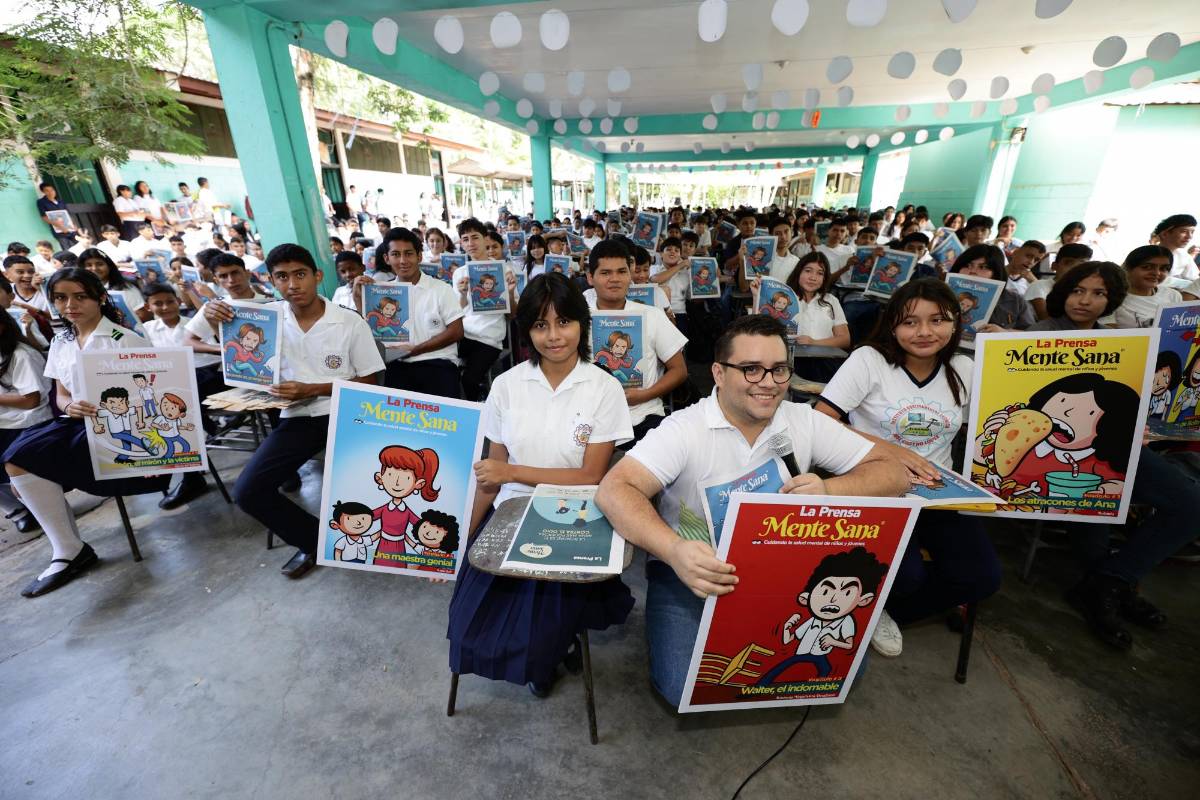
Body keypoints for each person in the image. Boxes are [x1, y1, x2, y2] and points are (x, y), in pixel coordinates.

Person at [594, 315, 908, 707]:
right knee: (682, 685)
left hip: (785, 570)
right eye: (751, 369)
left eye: (778, 370)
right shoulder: (684, 429)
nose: (768, 382)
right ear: (718, 374)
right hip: (694, 572)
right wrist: (674, 550)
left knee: (841, 671)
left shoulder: (802, 420)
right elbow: (615, 488)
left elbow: (894, 473)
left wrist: (829, 487)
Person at [448, 272, 635, 697]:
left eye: (564, 322)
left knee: (535, 626)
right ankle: (547, 648)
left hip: (576, 513)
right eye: (540, 325)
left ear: (582, 325)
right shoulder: (506, 385)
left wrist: (513, 472)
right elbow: (490, 476)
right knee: (470, 626)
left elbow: (590, 476)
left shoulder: (604, 388)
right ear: (526, 330)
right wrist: (464, 540)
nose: (554, 336)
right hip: (511, 511)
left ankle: (548, 650)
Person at [816, 279, 1001, 657]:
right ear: (893, 324)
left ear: (954, 324)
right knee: (907, 576)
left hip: (938, 491)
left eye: (937, 320)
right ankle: (877, 602)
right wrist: (889, 450)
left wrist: (1009, 348)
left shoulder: (964, 367)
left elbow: (1002, 419)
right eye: (910, 322)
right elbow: (821, 419)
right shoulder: (869, 360)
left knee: (982, 577)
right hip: (876, 487)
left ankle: (881, 611)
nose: (924, 332)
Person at [221, 244, 384, 579]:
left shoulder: (348, 322)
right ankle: (315, 539)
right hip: (297, 418)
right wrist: (216, 320)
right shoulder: (266, 322)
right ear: (271, 281)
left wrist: (314, 388)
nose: (293, 284)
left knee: (385, 478)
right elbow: (245, 360)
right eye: (282, 277)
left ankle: (382, 537)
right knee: (248, 491)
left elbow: (370, 383)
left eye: (300, 274)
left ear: (317, 276)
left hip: (349, 413)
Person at [3, 268, 168, 597]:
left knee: (31, 458)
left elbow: (157, 392)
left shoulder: (125, 339)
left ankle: (70, 549)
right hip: (76, 422)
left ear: (99, 298)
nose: (70, 305)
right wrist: (68, 407)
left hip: (120, 427)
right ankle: (68, 548)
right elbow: (61, 394)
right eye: (61, 298)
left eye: (80, 296)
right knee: (16, 457)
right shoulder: (62, 342)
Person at [585, 239, 687, 442]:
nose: (615, 279)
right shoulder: (577, 320)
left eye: (622, 271)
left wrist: (645, 395)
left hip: (643, 416)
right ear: (590, 277)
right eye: (605, 273)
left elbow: (679, 370)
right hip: (590, 418)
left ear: (630, 275)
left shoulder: (652, 315)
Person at [357, 227, 464, 398]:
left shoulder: (441, 289)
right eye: (395, 254)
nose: (403, 260)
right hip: (397, 365)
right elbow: (370, 332)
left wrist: (415, 350)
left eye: (408, 253)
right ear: (386, 258)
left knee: (443, 419)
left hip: (438, 364)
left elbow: (457, 331)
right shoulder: (381, 294)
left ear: (419, 256)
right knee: (397, 420)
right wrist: (359, 298)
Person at [0, 309, 52, 533]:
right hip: (8, 421)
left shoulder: (22, 354)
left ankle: (39, 504)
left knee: (27, 480)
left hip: (27, 424)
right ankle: (20, 508)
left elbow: (30, 400)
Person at [453, 220, 517, 401]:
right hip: (463, 335)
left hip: (489, 338)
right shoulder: (460, 273)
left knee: (469, 380)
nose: (471, 243)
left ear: (484, 239)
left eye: (475, 237)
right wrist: (463, 295)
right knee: (443, 369)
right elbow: (456, 313)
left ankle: (481, 412)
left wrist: (510, 293)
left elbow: (513, 314)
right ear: (461, 244)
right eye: (465, 239)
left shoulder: (504, 270)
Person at [949, 244, 1033, 331]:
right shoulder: (942, 295)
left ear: (995, 273)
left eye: (983, 267)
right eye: (967, 265)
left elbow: (1031, 336)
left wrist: (1005, 333)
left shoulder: (1015, 301)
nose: (973, 271)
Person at [1027, 261, 1128, 332]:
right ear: (1064, 293)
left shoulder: (1112, 338)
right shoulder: (1039, 334)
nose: (1084, 301)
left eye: (1099, 293)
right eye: (1077, 291)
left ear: (1113, 299)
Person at [1103, 245, 1179, 329]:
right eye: (1147, 267)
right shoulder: (1112, 297)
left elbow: (1178, 330)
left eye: (1164, 268)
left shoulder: (1173, 295)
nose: (1157, 273)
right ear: (1128, 268)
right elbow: (1109, 335)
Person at [79, 248, 149, 324]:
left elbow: (143, 315)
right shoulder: (79, 290)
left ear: (109, 266)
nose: (94, 268)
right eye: (89, 265)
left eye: (99, 264)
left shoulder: (125, 288)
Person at [1026, 243, 1094, 320]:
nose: (1074, 269)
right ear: (1054, 265)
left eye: (1082, 265)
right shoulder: (1039, 286)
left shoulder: (1085, 291)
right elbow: (1047, 320)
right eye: (1069, 263)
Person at [649, 236, 689, 335]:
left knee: (680, 349)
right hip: (658, 314)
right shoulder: (654, 268)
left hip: (680, 315)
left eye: (677, 250)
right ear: (661, 253)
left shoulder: (686, 273)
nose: (673, 252)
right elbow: (656, 280)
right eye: (669, 249)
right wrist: (680, 265)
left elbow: (692, 297)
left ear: (680, 255)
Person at [1153, 213, 1197, 285]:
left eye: (1192, 232)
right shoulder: (1147, 254)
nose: (1189, 236)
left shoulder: (1184, 256)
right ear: (1165, 234)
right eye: (1184, 231)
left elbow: (1195, 281)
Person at [36, 183, 75, 250]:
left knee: (78, 247)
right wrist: (60, 226)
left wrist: (74, 225)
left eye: (52, 190)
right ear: (43, 192)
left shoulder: (61, 201)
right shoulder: (41, 202)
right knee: (67, 249)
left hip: (70, 228)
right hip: (59, 231)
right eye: (47, 190)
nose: (50, 192)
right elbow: (44, 217)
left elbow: (67, 214)